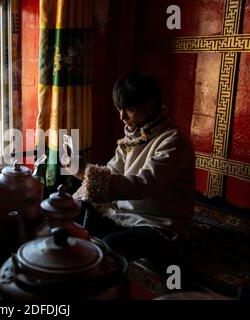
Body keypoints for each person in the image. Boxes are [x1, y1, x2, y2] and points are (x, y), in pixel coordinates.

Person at [67, 72, 195, 265]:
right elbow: (111, 170)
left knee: (111, 247)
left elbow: (143, 185)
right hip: (124, 215)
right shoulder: (134, 137)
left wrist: (83, 171)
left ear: (150, 106)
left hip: (158, 224)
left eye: (129, 110)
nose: (121, 116)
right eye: (119, 109)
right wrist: (76, 198)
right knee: (71, 215)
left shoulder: (174, 142)